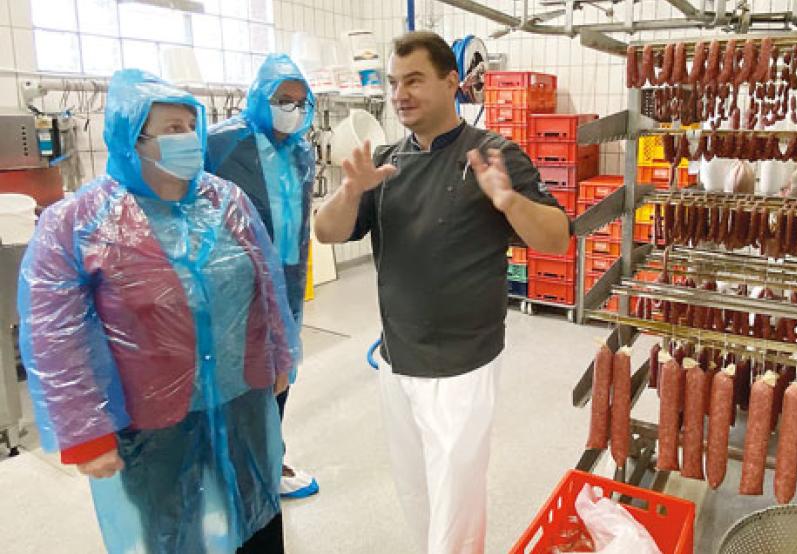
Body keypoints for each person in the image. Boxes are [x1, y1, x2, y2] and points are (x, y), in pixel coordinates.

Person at [17, 69, 299, 554]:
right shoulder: (77, 221)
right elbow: (55, 336)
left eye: (192, 125)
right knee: (169, 529)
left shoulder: (226, 200)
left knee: (256, 510)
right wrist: (87, 432)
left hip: (241, 395)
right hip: (150, 418)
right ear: (133, 138)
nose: (188, 138)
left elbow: (266, 283)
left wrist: (280, 359)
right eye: (172, 129)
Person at [313, 31, 571, 553]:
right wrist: (348, 190)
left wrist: (507, 202)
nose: (399, 94)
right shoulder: (385, 162)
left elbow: (557, 237)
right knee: (416, 493)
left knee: (456, 506)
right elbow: (326, 232)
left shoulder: (494, 154)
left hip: (461, 366)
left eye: (414, 80)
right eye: (393, 83)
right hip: (397, 360)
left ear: (452, 82)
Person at [206, 53, 319, 499]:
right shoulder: (222, 143)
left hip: (287, 279)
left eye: (298, 101)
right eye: (280, 99)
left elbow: (301, 223)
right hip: (234, 285)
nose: (291, 109)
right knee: (240, 377)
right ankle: (234, 471)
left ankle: (268, 461)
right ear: (258, 97)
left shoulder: (303, 150)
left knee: (282, 369)